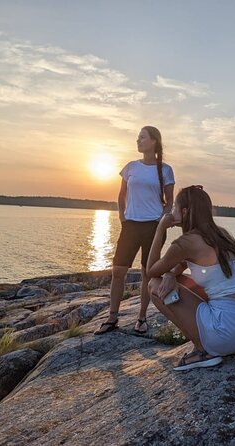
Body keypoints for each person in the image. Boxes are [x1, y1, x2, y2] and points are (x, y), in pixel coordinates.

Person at [145, 185, 235, 371]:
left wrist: (160, 229)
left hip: (225, 330)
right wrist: (171, 274)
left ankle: (203, 351)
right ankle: (211, 344)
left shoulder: (186, 243)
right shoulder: (220, 234)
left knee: (154, 285)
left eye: (174, 207)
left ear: (184, 211)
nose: (171, 212)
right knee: (176, 280)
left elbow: (151, 270)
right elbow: (183, 265)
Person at [94, 126, 175, 335]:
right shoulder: (130, 167)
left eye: (142, 137)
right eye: (137, 138)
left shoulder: (165, 170)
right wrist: (122, 217)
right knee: (118, 271)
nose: (138, 141)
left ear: (154, 141)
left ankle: (141, 318)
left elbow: (170, 202)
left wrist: (160, 222)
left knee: (147, 273)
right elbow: (121, 196)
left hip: (153, 227)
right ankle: (112, 318)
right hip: (130, 225)